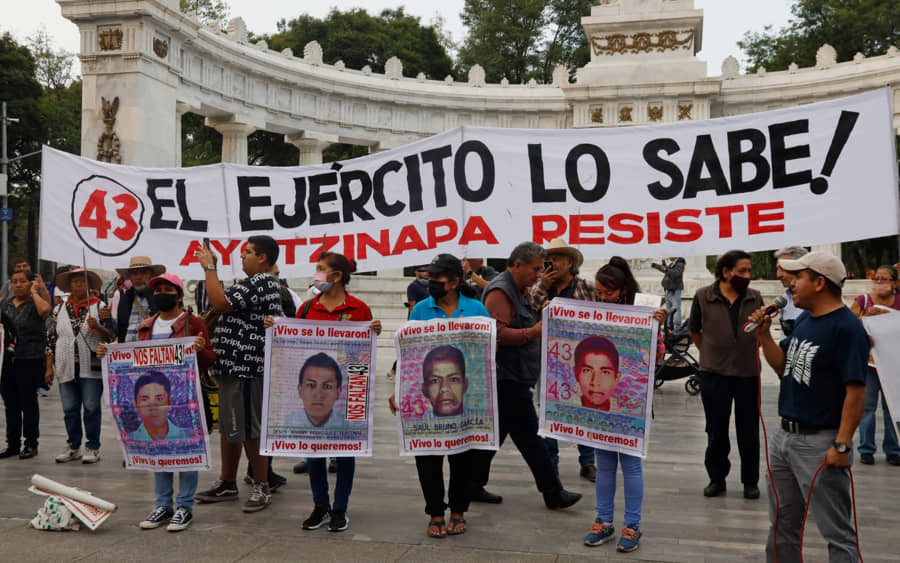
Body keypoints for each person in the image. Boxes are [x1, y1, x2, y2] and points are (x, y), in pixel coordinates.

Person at [749, 251, 867, 562]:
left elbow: (856, 391)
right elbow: (783, 366)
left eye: (797, 277)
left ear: (819, 283)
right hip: (784, 437)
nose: (790, 284)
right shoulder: (804, 320)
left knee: (837, 534)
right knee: (782, 526)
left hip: (820, 442)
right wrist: (764, 336)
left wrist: (841, 445)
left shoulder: (847, 328)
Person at [98, 272, 215, 531]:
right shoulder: (146, 326)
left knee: (186, 452)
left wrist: (200, 349)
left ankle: (184, 506)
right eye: (158, 289)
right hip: (154, 401)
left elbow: (209, 359)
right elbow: (133, 359)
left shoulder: (193, 324)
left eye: (167, 289)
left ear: (179, 294)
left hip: (184, 401)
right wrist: (108, 353)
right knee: (159, 451)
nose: (162, 293)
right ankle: (163, 505)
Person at [471, 242, 582, 511]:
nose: (538, 274)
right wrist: (535, 332)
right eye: (534, 269)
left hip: (516, 376)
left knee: (495, 436)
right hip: (507, 378)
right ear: (517, 265)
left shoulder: (519, 289)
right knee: (532, 440)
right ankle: (553, 492)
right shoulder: (500, 292)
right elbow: (497, 334)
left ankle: (470, 485)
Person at [279, 251, 381, 533]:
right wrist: (275, 329)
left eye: (322, 269)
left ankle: (340, 508)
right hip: (316, 393)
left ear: (337, 276)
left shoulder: (359, 309)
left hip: (348, 391)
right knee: (314, 451)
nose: (317, 274)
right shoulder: (308, 308)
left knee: (345, 451)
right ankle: (320, 505)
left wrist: (373, 331)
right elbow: (294, 344)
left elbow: (363, 355)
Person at [389, 253, 489, 537]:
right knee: (428, 457)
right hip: (428, 399)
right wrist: (398, 391)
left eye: (437, 278)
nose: (430, 282)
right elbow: (408, 354)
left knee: (463, 457)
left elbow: (485, 355)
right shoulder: (421, 309)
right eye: (429, 277)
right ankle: (435, 511)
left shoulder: (477, 309)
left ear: (455, 282)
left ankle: (458, 510)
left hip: (465, 400)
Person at [193, 236, 284, 513]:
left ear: (263, 258)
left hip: (247, 366)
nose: (242, 256)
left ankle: (261, 485)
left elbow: (220, 304)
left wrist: (210, 269)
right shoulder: (249, 283)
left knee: (249, 429)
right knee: (231, 427)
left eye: (248, 252)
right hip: (233, 366)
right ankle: (227, 482)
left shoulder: (263, 281)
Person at [583, 257, 667, 553]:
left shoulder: (644, 312)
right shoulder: (593, 312)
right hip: (602, 404)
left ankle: (633, 525)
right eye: (598, 293)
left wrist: (658, 329)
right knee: (604, 464)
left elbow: (657, 357)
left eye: (608, 292)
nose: (602, 298)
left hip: (631, 404)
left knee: (630, 465)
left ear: (622, 289)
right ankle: (604, 521)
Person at [688, 250, 764, 500]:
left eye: (749, 271)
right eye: (742, 271)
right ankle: (717, 478)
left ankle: (750, 481)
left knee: (748, 430)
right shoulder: (703, 296)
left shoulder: (755, 297)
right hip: (714, 374)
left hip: (747, 373)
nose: (747, 275)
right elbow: (694, 330)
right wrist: (709, 352)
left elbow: (761, 331)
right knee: (716, 430)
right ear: (725, 272)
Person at [529, 238, 597, 482]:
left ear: (570, 263)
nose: (552, 263)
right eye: (550, 258)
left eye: (557, 258)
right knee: (548, 409)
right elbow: (530, 307)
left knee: (583, 409)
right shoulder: (540, 287)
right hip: (549, 358)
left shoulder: (587, 287)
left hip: (581, 358)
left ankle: (588, 461)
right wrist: (542, 285)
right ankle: (552, 461)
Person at [45, 268, 115, 464]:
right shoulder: (59, 309)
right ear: (69, 286)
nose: (79, 285)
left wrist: (99, 326)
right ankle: (73, 445)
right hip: (66, 364)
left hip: (91, 364)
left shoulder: (100, 307)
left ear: (89, 285)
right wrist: (49, 367)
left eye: (82, 282)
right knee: (69, 408)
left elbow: (112, 337)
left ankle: (93, 447)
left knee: (92, 407)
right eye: (75, 282)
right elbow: (51, 339)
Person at [850, 264, 900, 466]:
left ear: (895, 283)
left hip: (893, 365)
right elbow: (850, 326)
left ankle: (893, 449)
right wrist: (866, 318)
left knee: (892, 408)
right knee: (867, 407)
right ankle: (866, 449)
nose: (879, 283)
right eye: (876, 278)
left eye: (884, 279)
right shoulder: (862, 301)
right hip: (868, 365)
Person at [0, 269, 51, 459]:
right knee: (10, 403)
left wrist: (35, 292)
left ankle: (31, 443)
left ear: (30, 284)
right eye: (14, 281)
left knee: (28, 403)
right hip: (7, 362)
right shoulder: (5, 304)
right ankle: (12, 444)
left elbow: (45, 311)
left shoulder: (34, 302)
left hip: (30, 359)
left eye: (22, 281)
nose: (18, 285)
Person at [111, 256, 166, 343]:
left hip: (154, 350)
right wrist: (107, 319)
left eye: (143, 273)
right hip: (129, 353)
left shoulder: (161, 297)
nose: (138, 277)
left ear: (151, 275)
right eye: (135, 273)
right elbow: (119, 329)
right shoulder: (125, 298)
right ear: (130, 277)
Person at [292, 353, 342, 427]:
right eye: (311, 385)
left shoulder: (349, 424)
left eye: (327, 386)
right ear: (300, 390)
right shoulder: (284, 422)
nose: (318, 395)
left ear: (338, 393)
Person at [773, 246, 809, 343]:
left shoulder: (826, 298)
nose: (778, 275)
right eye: (777, 269)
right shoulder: (785, 300)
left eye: (783, 268)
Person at [422, 345, 467, 417]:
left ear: (465, 385)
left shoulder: (482, 419)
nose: (444, 388)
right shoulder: (415, 425)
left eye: (454, 379)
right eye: (435, 381)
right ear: (424, 389)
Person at [651, 257, 685, 327]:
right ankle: (669, 325)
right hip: (669, 289)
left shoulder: (680, 263)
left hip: (675, 290)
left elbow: (675, 274)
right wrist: (656, 266)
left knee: (676, 309)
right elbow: (667, 271)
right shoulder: (673, 264)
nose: (669, 256)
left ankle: (677, 326)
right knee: (668, 309)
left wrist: (666, 269)